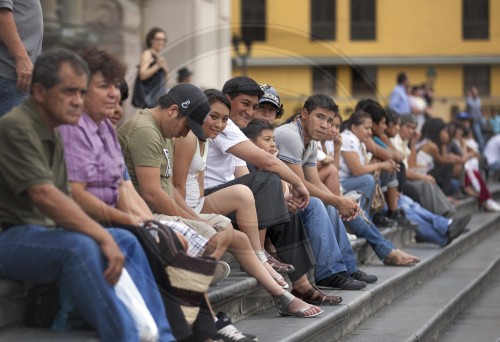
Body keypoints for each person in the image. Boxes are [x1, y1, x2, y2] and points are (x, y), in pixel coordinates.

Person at [0, 48, 174, 341]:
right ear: (40, 92)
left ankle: (164, 336)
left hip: (46, 233)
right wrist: (102, 234)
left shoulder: (53, 128)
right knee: (80, 246)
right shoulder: (17, 127)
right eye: (69, 92)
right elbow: (45, 195)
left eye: (81, 92)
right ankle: (126, 336)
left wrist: (123, 229)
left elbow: (66, 193)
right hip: (12, 237)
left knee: (127, 240)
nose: (78, 101)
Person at [173, 89, 327, 315]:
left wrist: (282, 194)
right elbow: (177, 188)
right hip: (191, 206)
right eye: (213, 116)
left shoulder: (210, 136)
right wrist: (196, 220)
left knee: (254, 198)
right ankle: (279, 290)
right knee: (265, 183)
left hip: (205, 201)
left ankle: (281, 283)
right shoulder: (191, 137)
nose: (219, 123)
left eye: (223, 119)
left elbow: (229, 176)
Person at [248, 117, 419, 267]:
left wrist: (336, 152)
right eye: (323, 120)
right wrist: (337, 200)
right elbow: (304, 182)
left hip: (318, 191)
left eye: (333, 124)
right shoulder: (292, 138)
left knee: (345, 203)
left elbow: (329, 172)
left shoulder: (322, 142)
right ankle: (379, 252)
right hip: (301, 198)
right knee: (329, 203)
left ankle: (372, 256)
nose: (330, 128)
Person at [0, 0, 43, 116]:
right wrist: (21, 59)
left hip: (16, 76)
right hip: (10, 74)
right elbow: (2, 14)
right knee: (13, 132)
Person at [134, 27, 169, 108]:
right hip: (149, 101)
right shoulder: (147, 53)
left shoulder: (159, 57)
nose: (161, 42)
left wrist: (165, 69)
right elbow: (142, 75)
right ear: (151, 40)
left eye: (163, 40)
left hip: (157, 100)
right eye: (158, 39)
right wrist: (157, 66)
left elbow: (165, 81)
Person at [466, 86, 485, 152]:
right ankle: (482, 152)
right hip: (474, 121)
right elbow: (473, 106)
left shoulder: (478, 99)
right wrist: (469, 96)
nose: (475, 93)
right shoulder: (469, 99)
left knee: (482, 136)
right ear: (471, 93)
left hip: (480, 120)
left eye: (476, 92)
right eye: (474, 92)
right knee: (479, 137)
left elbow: (478, 107)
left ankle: (480, 150)